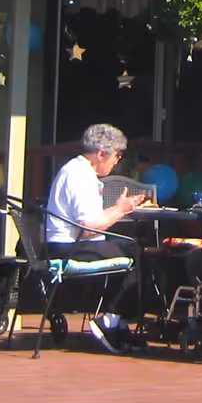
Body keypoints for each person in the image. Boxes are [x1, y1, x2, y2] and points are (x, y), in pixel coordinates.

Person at [43, 123, 146, 352]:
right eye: (116, 155)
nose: (117, 161)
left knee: (130, 250)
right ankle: (109, 321)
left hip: (71, 244)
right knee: (137, 256)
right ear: (101, 154)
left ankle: (116, 320)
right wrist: (121, 210)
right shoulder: (80, 176)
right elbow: (88, 228)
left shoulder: (78, 170)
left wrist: (120, 207)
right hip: (68, 248)